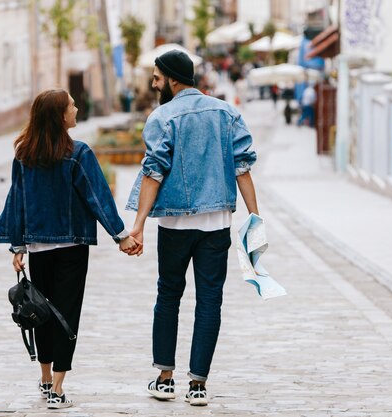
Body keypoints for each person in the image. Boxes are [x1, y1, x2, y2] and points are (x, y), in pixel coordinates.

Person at [125, 50, 259, 407]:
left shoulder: (162, 116)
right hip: (216, 223)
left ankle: (166, 378)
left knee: (168, 295)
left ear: (170, 78)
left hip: (174, 223)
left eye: (156, 78)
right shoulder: (226, 112)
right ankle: (198, 384)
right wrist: (255, 216)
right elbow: (242, 167)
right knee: (210, 300)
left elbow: (153, 172)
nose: (153, 84)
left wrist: (137, 225)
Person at [0, 88, 140, 409]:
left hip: (38, 248)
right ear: (60, 116)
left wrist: (17, 245)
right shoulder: (78, 153)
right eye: (72, 105)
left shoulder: (24, 154)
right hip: (72, 245)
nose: (76, 108)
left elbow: (15, 201)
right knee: (66, 316)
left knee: (42, 315)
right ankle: (58, 389)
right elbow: (97, 196)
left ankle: (46, 380)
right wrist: (121, 235)